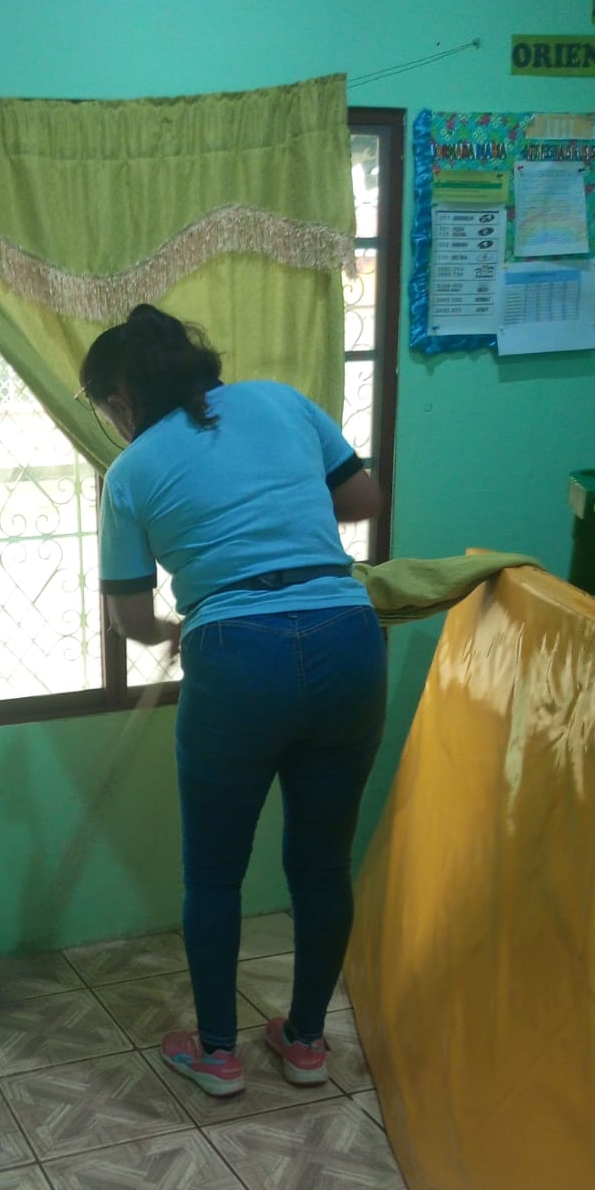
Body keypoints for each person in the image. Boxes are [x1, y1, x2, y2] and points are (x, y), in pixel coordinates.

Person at [79, 303, 387, 1098]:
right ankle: (308, 1043)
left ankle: (218, 1054)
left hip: (235, 656)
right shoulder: (282, 401)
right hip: (348, 636)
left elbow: (130, 618)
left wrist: (175, 627)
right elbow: (364, 500)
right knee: (322, 864)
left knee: (214, 875)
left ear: (119, 400)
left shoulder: (133, 471)